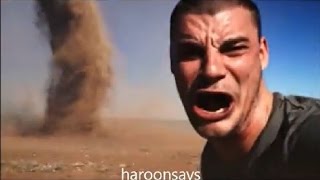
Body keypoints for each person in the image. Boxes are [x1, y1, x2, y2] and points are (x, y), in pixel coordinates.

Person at [169, 0, 320, 178]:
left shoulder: (306, 140)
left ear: (262, 54)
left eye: (233, 48)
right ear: (171, 61)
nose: (211, 70)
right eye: (190, 52)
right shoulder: (213, 155)